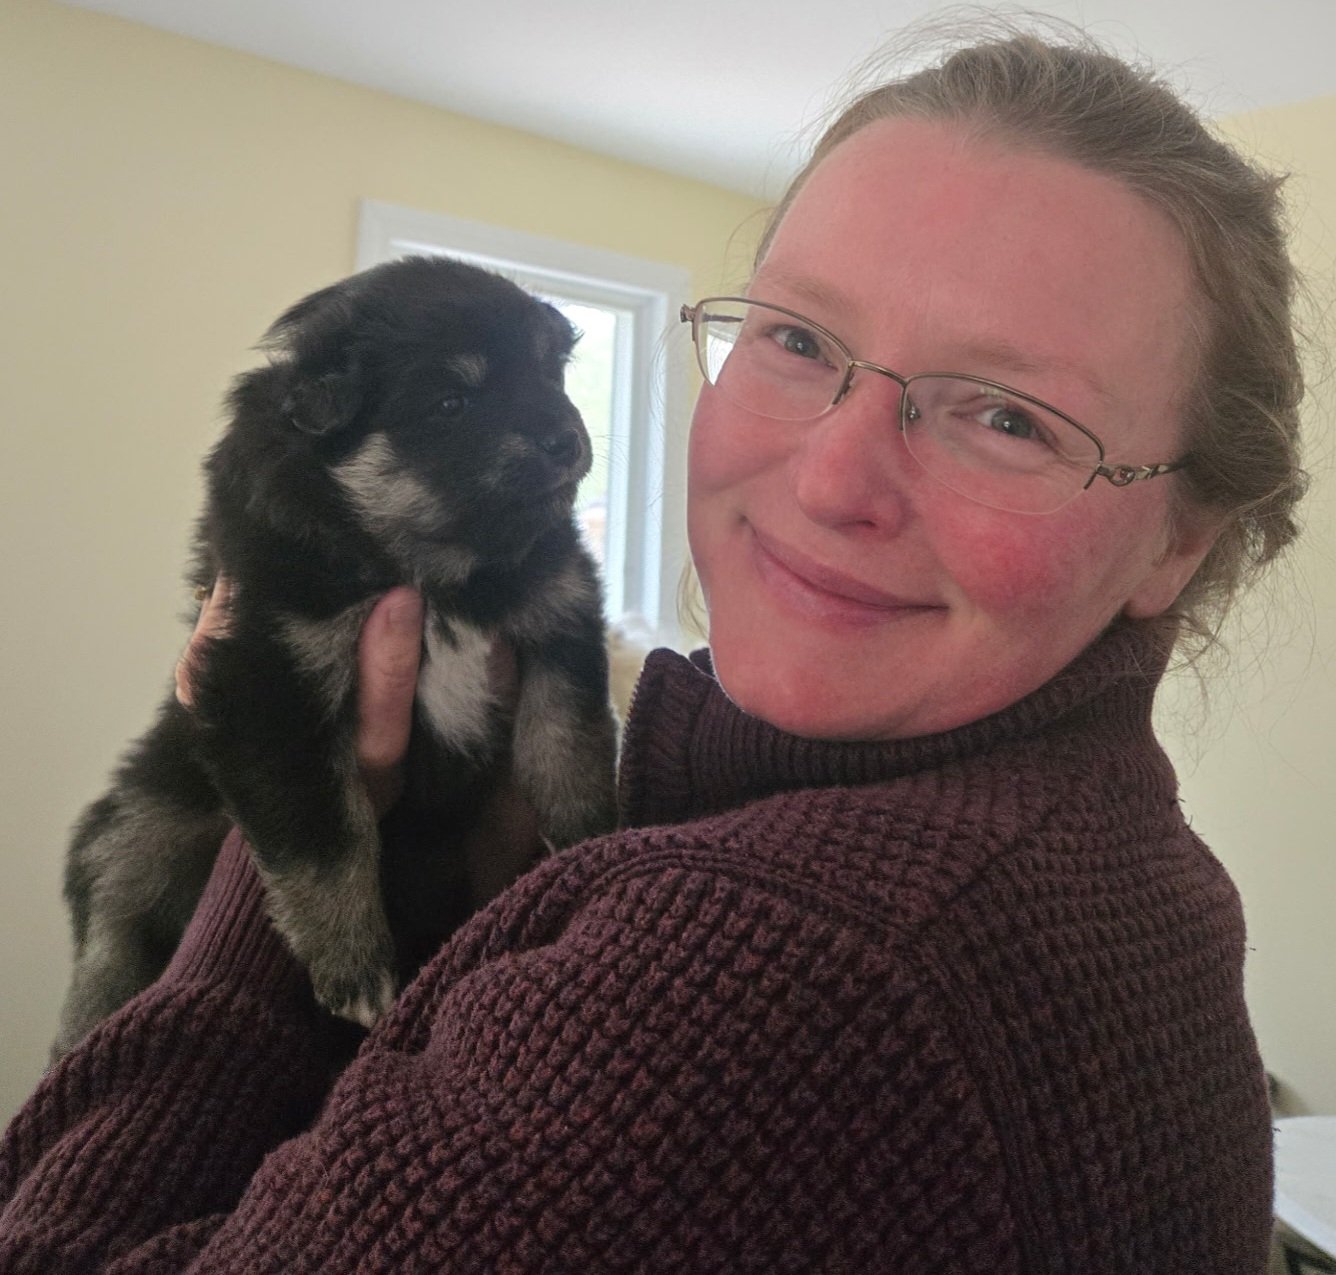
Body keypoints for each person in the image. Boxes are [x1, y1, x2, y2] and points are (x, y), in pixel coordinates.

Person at [0, 19, 1309, 1273]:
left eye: (1009, 416)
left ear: (1182, 540)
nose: (830, 479)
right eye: (797, 338)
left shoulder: (770, 967)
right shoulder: (1122, 866)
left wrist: (271, 840)